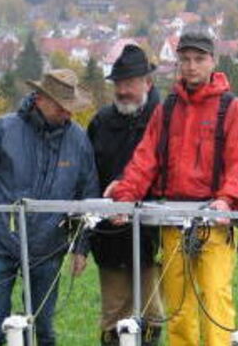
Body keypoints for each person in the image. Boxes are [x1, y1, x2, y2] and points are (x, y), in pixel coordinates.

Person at [104, 29, 238, 346]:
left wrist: (227, 200)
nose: (191, 66)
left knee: (215, 300)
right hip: (171, 224)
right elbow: (145, 160)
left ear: (213, 61)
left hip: (214, 225)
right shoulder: (167, 110)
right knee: (178, 308)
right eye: (184, 59)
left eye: (199, 59)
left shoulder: (232, 109)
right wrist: (125, 197)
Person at [0, 69, 99, 346]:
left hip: (49, 248)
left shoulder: (79, 140)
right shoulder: (4, 129)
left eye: (71, 108)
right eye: (61, 107)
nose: (68, 114)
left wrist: (81, 246)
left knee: (42, 329)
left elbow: (88, 194)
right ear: (41, 99)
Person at [86, 44, 164, 346]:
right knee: (114, 312)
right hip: (109, 235)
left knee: (151, 312)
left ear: (148, 82)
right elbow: (89, 175)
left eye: (129, 83)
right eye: (118, 84)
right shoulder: (101, 122)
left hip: (151, 233)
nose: (123, 91)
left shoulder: (165, 119)